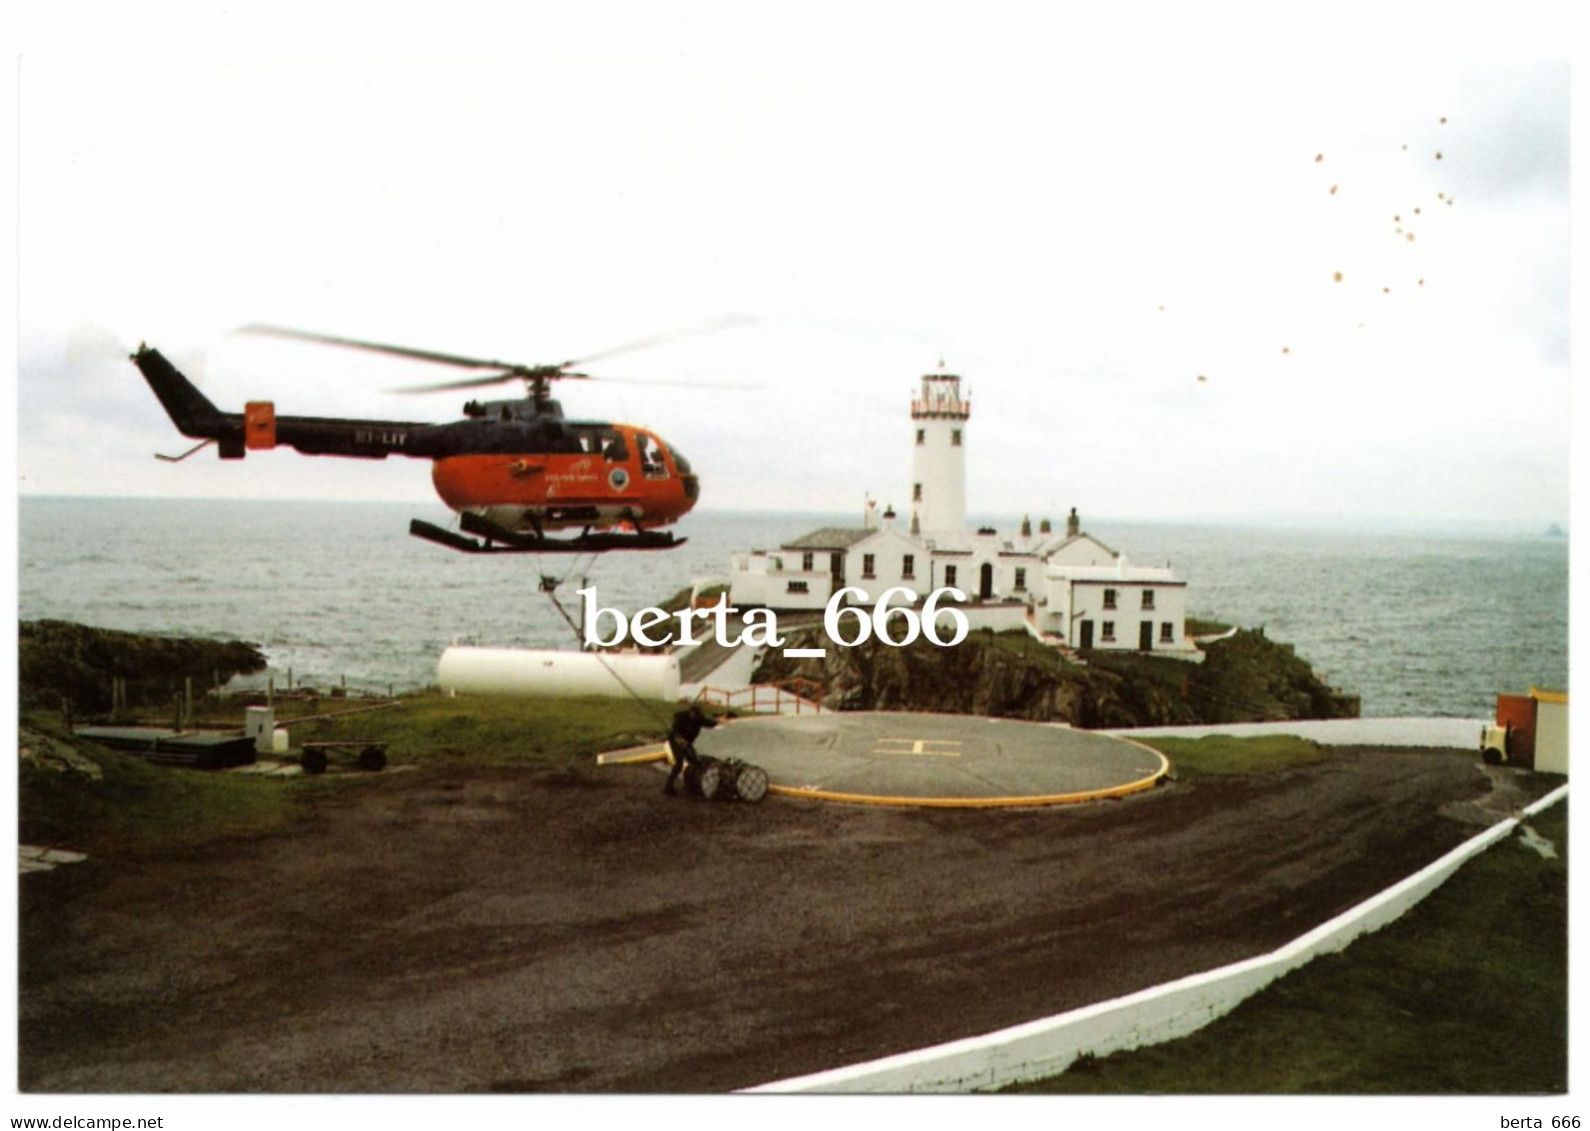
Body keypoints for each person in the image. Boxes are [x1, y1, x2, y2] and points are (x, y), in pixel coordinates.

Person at [664, 702, 718, 796]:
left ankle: (692, 783)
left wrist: (717, 720)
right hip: (675, 741)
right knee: (679, 764)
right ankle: (668, 787)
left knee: (695, 760)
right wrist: (681, 741)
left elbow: (710, 723)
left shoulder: (699, 719)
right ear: (690, 712)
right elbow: (675, 733)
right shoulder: (681, 718)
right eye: (694, 715)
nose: (695, 717)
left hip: (687, 743)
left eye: (697, 716)